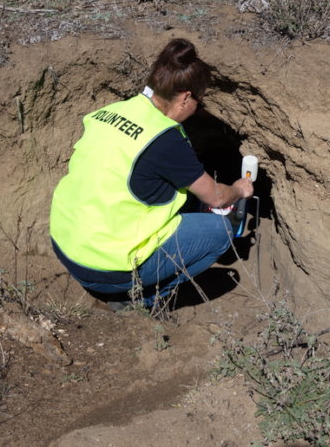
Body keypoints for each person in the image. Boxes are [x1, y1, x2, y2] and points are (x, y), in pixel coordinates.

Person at [49, 38, 254, 310]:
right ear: (185, 98)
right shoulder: (165, 140)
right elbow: (216, 197)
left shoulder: (112, 111)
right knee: (219, 230)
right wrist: (240, 189)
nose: (198, 109)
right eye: (199, 102)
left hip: (68, 246)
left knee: (185, 199)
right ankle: (139, 301)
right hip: (107, 268)